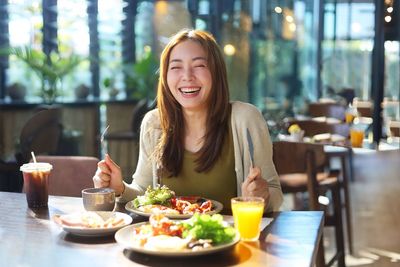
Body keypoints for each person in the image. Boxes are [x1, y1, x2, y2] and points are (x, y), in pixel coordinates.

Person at [93, 29, 283, 213]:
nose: (187, 77)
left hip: (228, 238)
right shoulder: (154, 123)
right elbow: (144, 192)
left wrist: (262, 197)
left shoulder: (245, 119)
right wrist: (119, 188)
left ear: (216, 73)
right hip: (169, 239)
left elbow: (274, 191)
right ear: (165, 77)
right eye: (176, 67)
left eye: (199, 66)